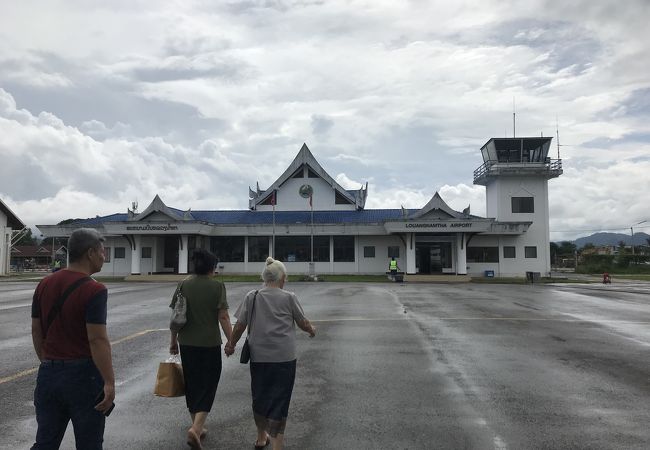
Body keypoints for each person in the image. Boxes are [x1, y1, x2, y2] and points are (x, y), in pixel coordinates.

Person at [30, 228, 115, 450]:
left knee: (45, 442)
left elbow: (36, 331)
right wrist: (109, 381)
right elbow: (97, 340)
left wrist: (48, 361)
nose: (103, 257)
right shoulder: (94, 289)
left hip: (48, 374)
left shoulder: (44, 284)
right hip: (83, 378)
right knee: (89, 443)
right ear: (90, 253)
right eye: (102, 252)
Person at [225, 257, 316, 450]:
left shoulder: (252, 296)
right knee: (280, 399)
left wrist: (230, 344)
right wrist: (311, 330)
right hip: (284, 357)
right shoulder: (289, 297)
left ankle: (261, 437)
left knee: (260, 396)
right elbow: (302, 322)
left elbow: (240, 325)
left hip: (259, 357)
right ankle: (277, 445)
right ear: (282, 278)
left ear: (265, 277)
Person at [169, 248, 232, 449]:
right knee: (209, 384)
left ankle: (197, 425)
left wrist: (173, 341)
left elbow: (176, 317)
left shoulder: (183, 285)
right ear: (212, 268)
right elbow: (223, 316)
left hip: (186, 343)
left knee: (193, 383)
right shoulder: (217, 286)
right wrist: (232, 340)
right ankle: (196, 429)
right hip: (209, 343)